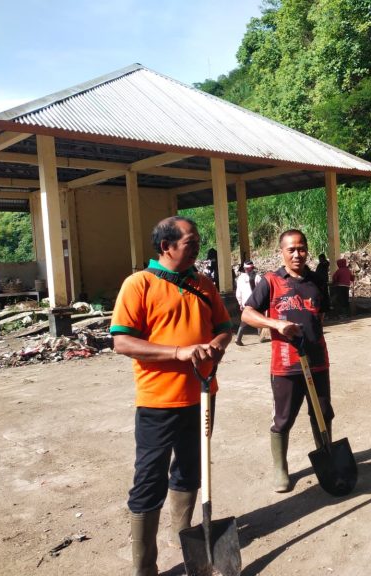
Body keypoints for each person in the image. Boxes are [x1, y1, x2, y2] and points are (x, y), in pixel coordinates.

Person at [110, 216, 233, 576]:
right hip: (158, 401)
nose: (197, 248)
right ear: (166, 246)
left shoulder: (203, 284)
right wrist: (179, 352)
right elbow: (122, 342)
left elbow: (225, 328)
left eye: (197, 241)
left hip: (203, 395)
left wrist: (216, 345)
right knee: (149, 478)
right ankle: (144, 567)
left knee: (191, 468)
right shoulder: (139, 284)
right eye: (191, 242)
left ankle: (184, 536)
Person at [240, 229, 332, 493]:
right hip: (285, 364)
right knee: (283, 418)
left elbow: (320, 316)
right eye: (291, 249)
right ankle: (280, 468)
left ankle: (327, 460)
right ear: (281, 252)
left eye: (301, 248)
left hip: (317, 361)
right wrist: (276, 324)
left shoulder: (317, 281)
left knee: (323, 413)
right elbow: (247, 313)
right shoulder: (271, 281)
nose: (297, 254)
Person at [234, 260, 263, 345]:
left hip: (247, 303)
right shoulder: (257, 277)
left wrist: (240, 302)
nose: (249, 270)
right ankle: (261, 336)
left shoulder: (240, 278)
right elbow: (261, 291)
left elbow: (238, 293)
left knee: (246, 320)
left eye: (250, 268)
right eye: (248, 268)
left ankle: (239, 338)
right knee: (257, 318)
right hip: (254, 302)